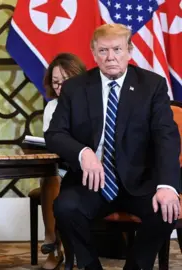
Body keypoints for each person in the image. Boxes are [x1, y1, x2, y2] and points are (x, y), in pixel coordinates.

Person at [45, 23, 181, 270]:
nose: (110, 58)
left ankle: (136, 267)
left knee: (165, 210)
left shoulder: (152, 86)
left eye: (117, 50)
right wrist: (83, 152)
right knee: (65, 208)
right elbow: (55, 133)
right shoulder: (75, 88)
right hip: (91, 182)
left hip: (140, 182)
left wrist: (167, 185)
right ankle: (90, 267)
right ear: (94, 53)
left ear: (129, 51)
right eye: (103, 51)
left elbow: (166, 137)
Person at [40, 53, 87, 270]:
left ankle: (68, 248)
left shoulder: (93, 102)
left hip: (90, 167)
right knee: (49, 176)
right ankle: (53, 243)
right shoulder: (52, 107)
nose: (60, 88)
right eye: (55, 83)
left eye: (65, 82)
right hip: (63, 167)